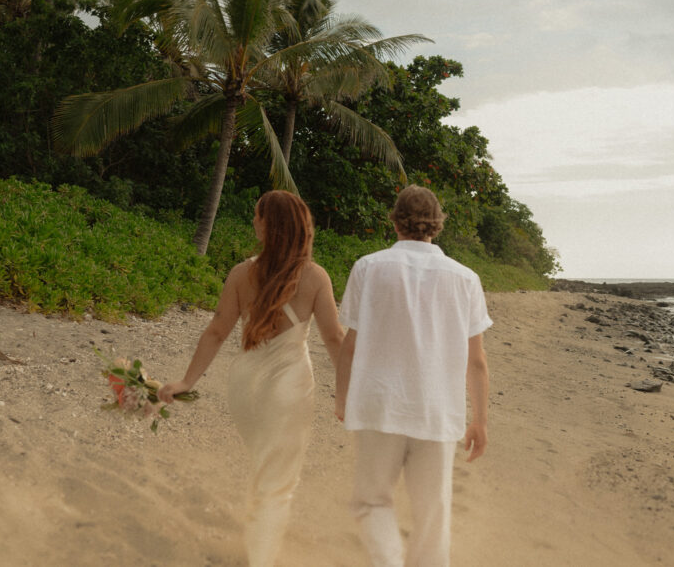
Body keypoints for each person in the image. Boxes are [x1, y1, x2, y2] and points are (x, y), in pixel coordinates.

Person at [158, 190, 343, 567]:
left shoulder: (242, 274)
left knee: (264, 466)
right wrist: (346, 391)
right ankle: (261, 557)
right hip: (288, 388)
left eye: (257, 216)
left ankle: (257, 541)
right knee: (279, 480)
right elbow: (334, 338)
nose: (254, 221)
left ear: (268, 225)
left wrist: (187, 382)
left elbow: (217, 331)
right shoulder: (314, 277)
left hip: (245, 387)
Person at [334, 185, 491, 567]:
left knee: (371, 501)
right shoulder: (465, 278)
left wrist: (342, 399)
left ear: (395, 220)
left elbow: (349, 347)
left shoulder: (368, 267)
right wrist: (480, 420)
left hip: (379, 402)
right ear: (437, 224)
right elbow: (477, 361)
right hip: (437, 410)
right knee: (433, 514)